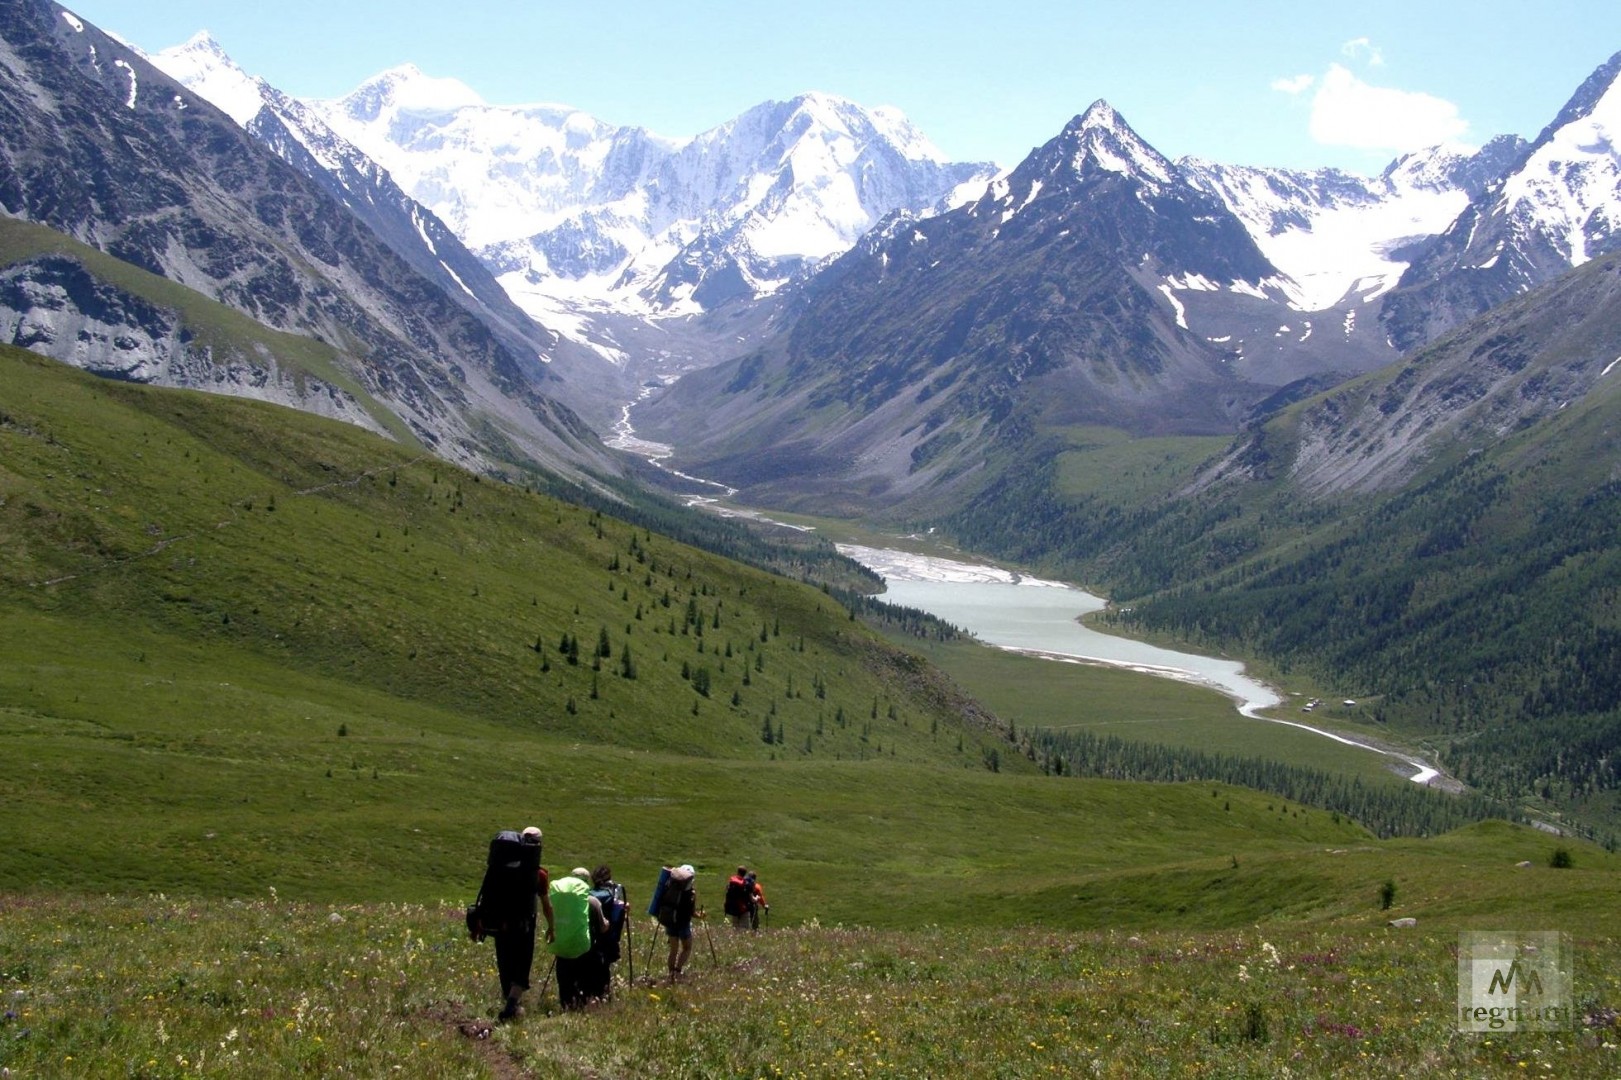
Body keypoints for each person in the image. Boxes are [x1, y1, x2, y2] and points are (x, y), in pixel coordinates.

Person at [488, 826, 553, 1022]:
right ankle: (512, 1005)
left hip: (501, 921)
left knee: (504, 959)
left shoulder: (500, 866)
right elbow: (545, 904)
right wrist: (552, 926)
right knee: (522, 963)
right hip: (525, 922)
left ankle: (508, 1000)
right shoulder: (539, 873)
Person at [549, 867, 607, 1009]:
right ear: (586, 882)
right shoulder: (593, 902)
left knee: (564, 979)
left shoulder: (558, 900)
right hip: (582, 947)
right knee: (582, 978)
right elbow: (603, 927)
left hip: (560, 945)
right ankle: (580, 1006)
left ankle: (565, 1005)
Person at [588, 865, 629, 998]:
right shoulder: (612, 895)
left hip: (589, 937)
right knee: (603, 968)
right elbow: (617, 918)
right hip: (606, 938)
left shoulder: (589, 893)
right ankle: (602, 995)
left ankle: (589, 992)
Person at [657, 863, 698, 982]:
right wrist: (701, 915)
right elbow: (692, 912)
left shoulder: (670, 887)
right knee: (687, 947)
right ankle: (678, 971)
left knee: (673, 950)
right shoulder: (691, 893)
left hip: (670, 920)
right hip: (683, 923)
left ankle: (670, 974)